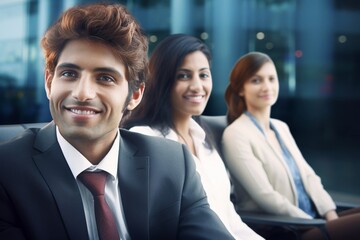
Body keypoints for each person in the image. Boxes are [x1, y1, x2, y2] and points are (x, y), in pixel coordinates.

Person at [0, 3, 235, 240]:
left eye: (105, 78)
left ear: (135, 95)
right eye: (69, 74)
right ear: (49, 82)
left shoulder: (173, 163)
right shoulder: (6, 170)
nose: (82, 93)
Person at [122, 34, 263, 240]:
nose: (197, 86)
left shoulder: (205, 139)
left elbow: (229, 219)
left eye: (204, 75)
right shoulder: (145, 140)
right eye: (184, 76)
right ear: (163, 81)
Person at [222, 51, 360, 239]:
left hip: (314, 220)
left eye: (272, 79)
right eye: (256, 80)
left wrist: (330, 215)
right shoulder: (236, 135)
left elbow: (309, 177)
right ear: (240, 89)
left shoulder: (280, 127)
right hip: (289, 229)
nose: (267, 86)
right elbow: (265, 196)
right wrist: (316, 223)